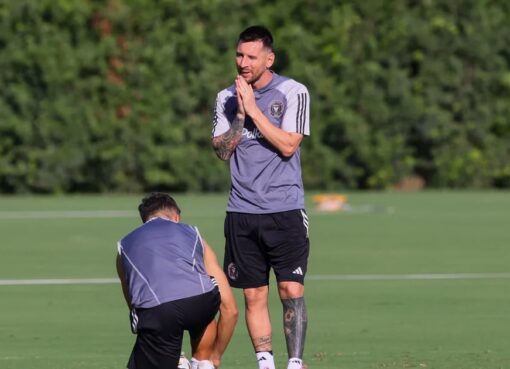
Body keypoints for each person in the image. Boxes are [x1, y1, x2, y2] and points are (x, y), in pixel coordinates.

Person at [211, 25, 310, 369]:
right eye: (239, 55)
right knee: (253, 294)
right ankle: (265, 364)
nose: (243, 62)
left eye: (251, 56)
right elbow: (222, 152)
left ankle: (295, 363)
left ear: (269, 58)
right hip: (241, 211)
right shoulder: (226, 98)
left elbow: (287, 145)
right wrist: (239, 113)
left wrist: (254, 110)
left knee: (290, 292)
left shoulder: (294, 91)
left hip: (285, 209)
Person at [116, 192, 238, 369]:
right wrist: (216, 356)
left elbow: (135, 304)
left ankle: (180, 361)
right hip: (201, 304)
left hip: (159, 312)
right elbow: (230, 310)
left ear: (145, 220)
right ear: (176, 217)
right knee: (204, 300)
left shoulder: (124, 246)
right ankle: (203, 361)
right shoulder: (194, 234)